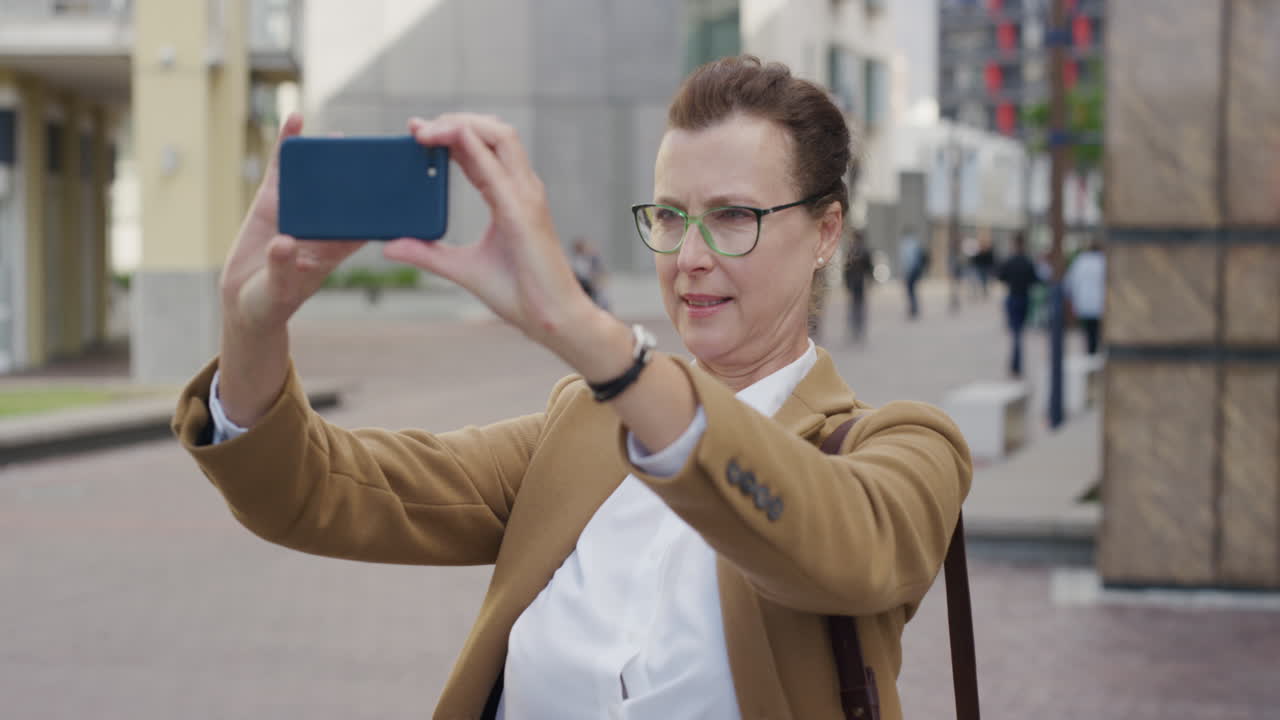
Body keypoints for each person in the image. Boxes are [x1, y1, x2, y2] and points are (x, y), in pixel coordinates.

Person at [172, 56, 971, 720]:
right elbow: (313, 491)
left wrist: (584, 330)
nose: (689, 257)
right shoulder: (583, 427)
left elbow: (841, 547)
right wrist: (252, 325)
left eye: (734, 216)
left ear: (826, 232)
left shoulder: (901, 445)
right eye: (670, 216)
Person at [995, 231, 1041, 378]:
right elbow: (1035, 279)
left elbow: (1000, 277)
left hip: (1013, 297)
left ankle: (1015, 365)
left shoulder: (1010, 260)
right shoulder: (1027, 261)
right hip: (1024, 298)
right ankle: (1016, 365)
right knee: (1018, 333)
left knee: (1016, 334)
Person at [1065, 238, 1106, 355]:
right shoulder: (1103, 261)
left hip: (1085, 301)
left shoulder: (1081, 261)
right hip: (1100, 302)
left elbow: (1070, 281)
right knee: (1098, 329)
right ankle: (1096, 351)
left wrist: (1072, 299)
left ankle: (1091, 351)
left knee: (1089, 330)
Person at [842, 230, 874, 343]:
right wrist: (870, 280)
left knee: (853, 306)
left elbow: (846, 268)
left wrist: (846, 282)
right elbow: (870, 268)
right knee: (859, 306)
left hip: (853, 282)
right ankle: (859, 329)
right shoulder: (864, 251)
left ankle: (854, 328)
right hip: (860, 282)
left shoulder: (851, 251)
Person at [570, 236, 609, 309]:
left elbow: (602, 274)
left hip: (593, 288)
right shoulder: (576, 261)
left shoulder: (594, 259)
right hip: (584, 287)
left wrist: (597, 282)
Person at [898, 226, 926, 319]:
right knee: (913, 290)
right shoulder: (915, 242)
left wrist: (905, 272)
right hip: (916, 270)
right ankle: (914, 307)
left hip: (911, 270)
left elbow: (907, 260)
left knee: (910, 290)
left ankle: (913, 308)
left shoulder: (906, 244)